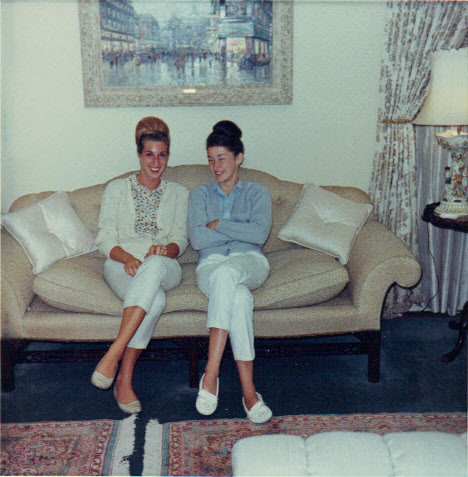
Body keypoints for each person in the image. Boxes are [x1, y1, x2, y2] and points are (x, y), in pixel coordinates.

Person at [91, 117, 189, 413]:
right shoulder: (116, 189)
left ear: (168, 156)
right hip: (121, 263)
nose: (156, 162)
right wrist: (127, 258)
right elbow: (105, 238)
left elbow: (180, 239)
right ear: (138, 154)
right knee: (155, 301)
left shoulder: (179, 193)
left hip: (164, 264)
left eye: (162, 155)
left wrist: (166, 250)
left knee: (154, 263)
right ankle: (124, 379)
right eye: (149, 154)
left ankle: (114, 352)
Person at [188, 120, 273, 424]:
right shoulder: (200, 194)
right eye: (210, 159)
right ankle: (249, 392)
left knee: (228, 275)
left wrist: (219, 224)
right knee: (239, 298)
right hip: (210, 265)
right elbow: (197, 239)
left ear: (239, 158)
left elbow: (259, 234)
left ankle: (211, 374)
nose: (215, 166)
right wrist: (240, 229)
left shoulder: (258, 193)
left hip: (249, 261)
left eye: (222, 158)